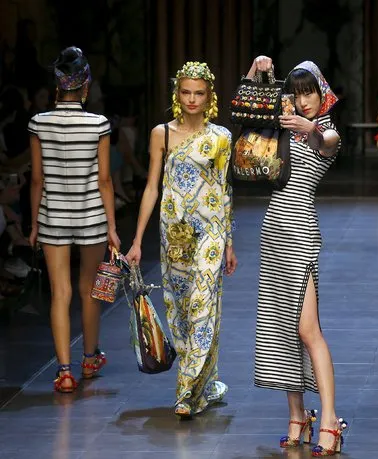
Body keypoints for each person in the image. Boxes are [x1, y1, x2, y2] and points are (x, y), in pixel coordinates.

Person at [245, 56, 348, 457]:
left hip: (301, 232)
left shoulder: (327, 131)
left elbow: (325, 142)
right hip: (272, 231)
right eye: (298, 92)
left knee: (308, 329)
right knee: (281, 330)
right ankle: (297, 416)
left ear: (322, 94)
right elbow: (248, 105)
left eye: (310, 92)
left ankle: (329, 420)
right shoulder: (283, 124)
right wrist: (257, 72)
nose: (304, 100)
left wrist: (311, 129)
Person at [125, 61, 237, 418]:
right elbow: (151, 187)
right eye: (186, 92)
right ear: (177, 94)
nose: (192, 99)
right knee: (181, 311)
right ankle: (205, 382)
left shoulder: (220, 137)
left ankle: (186, 392)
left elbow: (223, 190)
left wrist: (229, 241)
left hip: (211, 233)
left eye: (199, 93)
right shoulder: (162, 133)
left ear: (209, 96)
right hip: (174, 234)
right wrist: (137, 240)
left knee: (203, 305)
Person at [27, 46, 120, 393]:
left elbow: (37, 179)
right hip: (92, 217)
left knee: (60, 293)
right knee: (90, 291)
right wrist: (112, 227)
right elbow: (105, 180)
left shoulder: (39, 122)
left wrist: (34, 225)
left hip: (52, 217)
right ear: (84, 87)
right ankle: (90, 359)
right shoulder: (99, 124)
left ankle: (64, 371)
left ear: (57, 87)